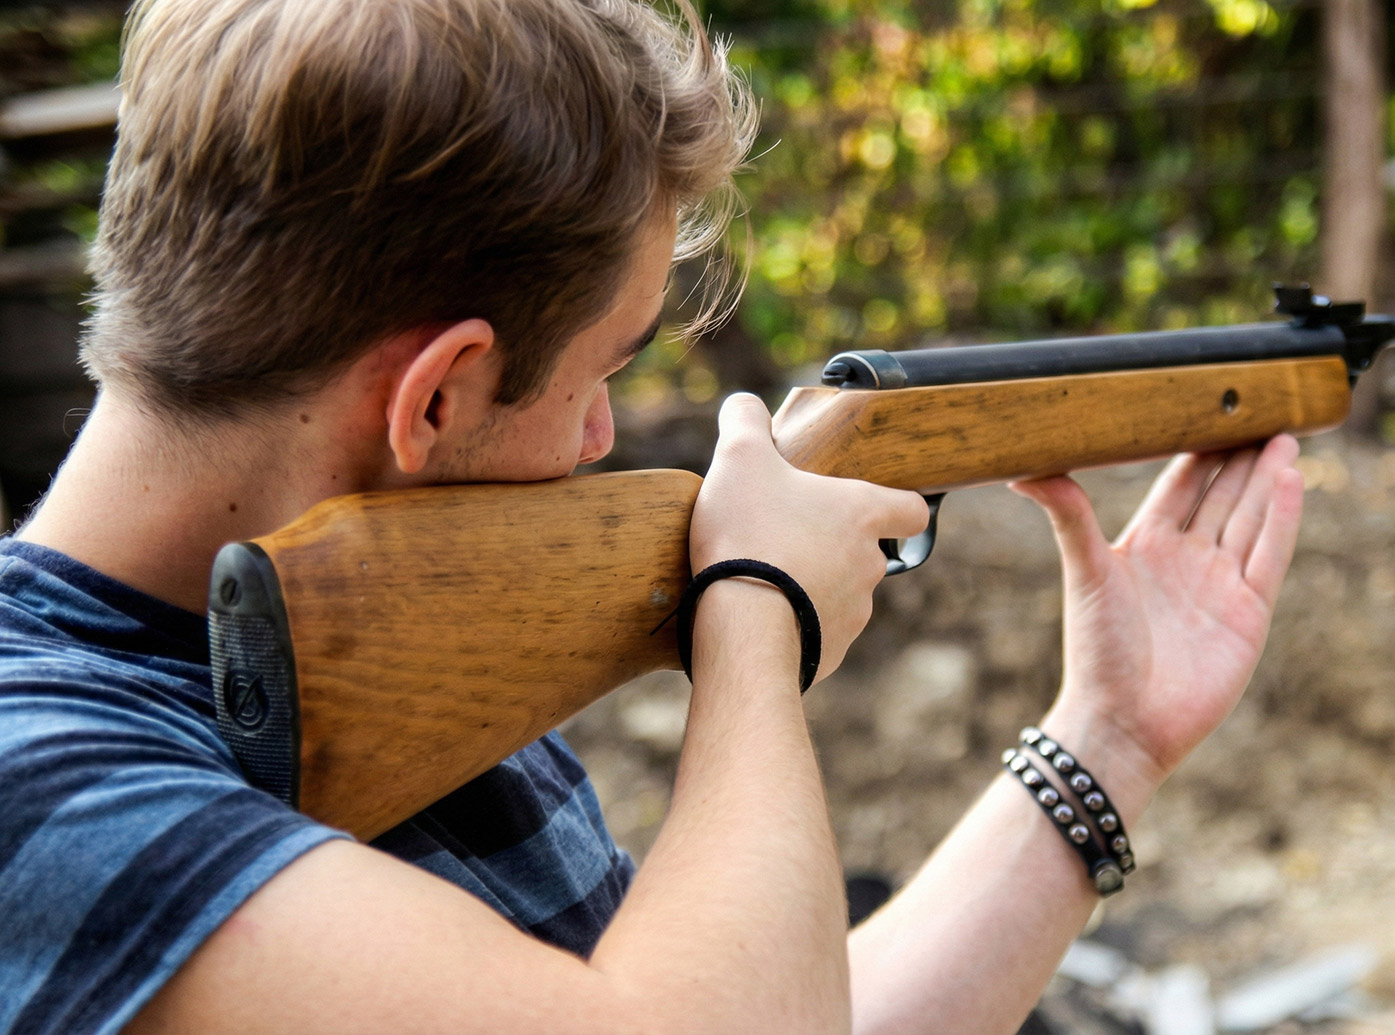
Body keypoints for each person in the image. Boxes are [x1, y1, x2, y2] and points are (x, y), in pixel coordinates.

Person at [0, 0, 1305, 1031]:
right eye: (604, 371)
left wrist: (1108, 741)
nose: (601, 441)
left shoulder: (387, 640)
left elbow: (764, 1016)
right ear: (440, 395)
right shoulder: (39, 788)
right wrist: (756, 619)